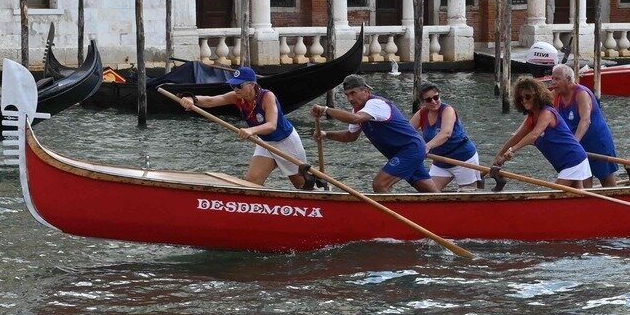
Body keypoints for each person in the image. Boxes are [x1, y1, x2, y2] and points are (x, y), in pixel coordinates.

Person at [180, 66, 310, 189]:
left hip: (286, 142)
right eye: (233, 85)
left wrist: (251, 130)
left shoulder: (267, 97)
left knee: (303, 186)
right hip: (265, 143)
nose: (236, 89)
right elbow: (211, 101)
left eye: (239, 85)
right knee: (251, 183)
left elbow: (271, 125)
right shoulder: (237, 97)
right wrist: (192, 99)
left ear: (252, 85)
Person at [311, 75, 439, 193]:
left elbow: (355, 119)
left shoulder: (376, 104)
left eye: (353, 93)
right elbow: (350, 136)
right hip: (402, 153)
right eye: (347, 95)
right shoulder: (358, 110)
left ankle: (389, 211)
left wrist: (326, 110)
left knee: (380, 184)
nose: (350, 98)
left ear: (366, 91)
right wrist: (326, 134)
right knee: (430, 192)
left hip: (411, 149)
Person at [492, 75, 593, 188]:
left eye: (528, 97)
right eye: (521, 98)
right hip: (564, 163)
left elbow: (534, 135)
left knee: (553, 194)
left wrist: (513, 150)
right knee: (577, 196)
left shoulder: (547, 113)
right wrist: (499, 156)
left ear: (537, 96)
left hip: (573, 160)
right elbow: (516, 137)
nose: (524, 101)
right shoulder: (531, 118)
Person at [549, 64, 619, 187]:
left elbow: (585, 120)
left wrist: (573, 144)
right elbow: (540, 110)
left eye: (557, 79)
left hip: (597, 142)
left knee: (607, 182)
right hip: (579, 146)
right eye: (552, 78)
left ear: (569, 80)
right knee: (584, 184)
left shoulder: (581, 94)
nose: (553, 82)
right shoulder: (555, 95)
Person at [409, 83, 481, 191]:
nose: (434, 102)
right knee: (428, 192)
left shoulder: (447, 110)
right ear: (423, 102)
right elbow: (407, 132)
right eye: (428, 100)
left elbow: (445, 134)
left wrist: (427, 147)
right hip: (440, 161)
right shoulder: (421, 114)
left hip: (463, 159)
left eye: (436, 97)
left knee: (468, 194)